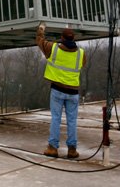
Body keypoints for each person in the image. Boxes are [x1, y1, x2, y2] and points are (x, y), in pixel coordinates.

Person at [36, 23, 86, 159]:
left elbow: (40, 41)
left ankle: (52, 148)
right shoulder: (81, 53)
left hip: (57, 90)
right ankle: (72, 150)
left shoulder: (53, 49)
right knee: (72, 121)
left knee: (56, 119)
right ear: (73, 38)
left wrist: (41, 29)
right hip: (73, 93)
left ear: (62, 38)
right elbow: (82, 64)